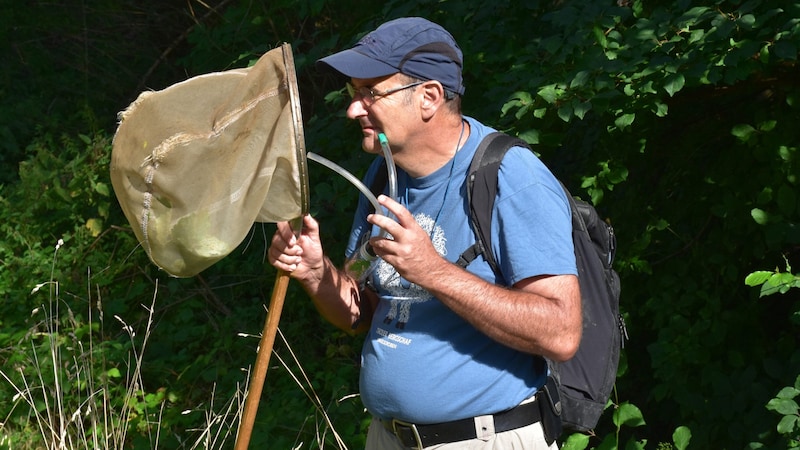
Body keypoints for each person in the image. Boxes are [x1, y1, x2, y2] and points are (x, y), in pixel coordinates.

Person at [269, 17, 582, 450]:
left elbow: (562, 333)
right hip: (389, 437)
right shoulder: (382, 177)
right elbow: (360, 311)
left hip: (483, 438)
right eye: (352, 92)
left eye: (370, 93)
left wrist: (432, 270)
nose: (353, 109)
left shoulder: (509, 176)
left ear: (429, 97)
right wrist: (317, 273)